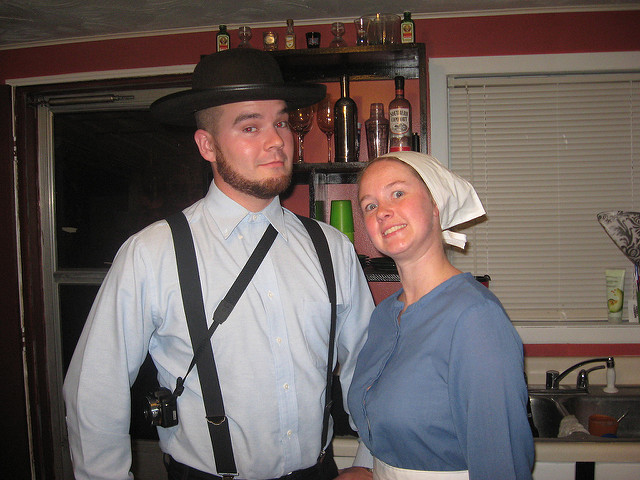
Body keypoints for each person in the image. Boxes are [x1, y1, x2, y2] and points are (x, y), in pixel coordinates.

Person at [63, 48, 375, 480]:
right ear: (207, 144)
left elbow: (369, 364)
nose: (276, 141)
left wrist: (368, 461)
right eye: (251, 126)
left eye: (281, 121)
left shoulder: (332, 248)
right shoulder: (153, 252)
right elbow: (94, 390)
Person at [348, 152, 535, 480]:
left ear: (435, 206)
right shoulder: (383, 317)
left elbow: (502, 464)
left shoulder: (476, 319)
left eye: (398, 193)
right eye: (370, 205)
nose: (383, 212)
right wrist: (366, 468)